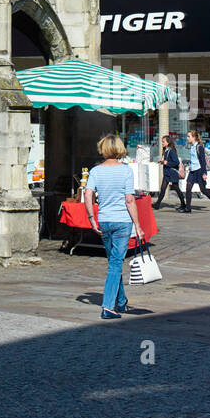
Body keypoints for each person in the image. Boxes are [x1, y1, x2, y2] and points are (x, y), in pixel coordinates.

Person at [83, 133, 146, 319]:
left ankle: (120, 301)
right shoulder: (126, 170)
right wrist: (138, 226)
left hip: (104, 219)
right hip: (122, 222)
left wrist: (91, 219)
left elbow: (88, 195)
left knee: (113, 262)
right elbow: (129, 200)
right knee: (116, 263)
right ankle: (108, 306)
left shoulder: (95, 171)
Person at [185, 128, 210, 213]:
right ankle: (188, 208)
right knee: (188, 188)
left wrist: (204, 173)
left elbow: (202, 161)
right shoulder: (192, 147)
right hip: (192, 171)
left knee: (203, 190)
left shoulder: (199, 147)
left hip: (199, 171)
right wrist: (190, 166)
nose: (187, 138)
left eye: (188, 136)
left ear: (194, 137)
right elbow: (193, 159)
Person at [155, 132, 186, 210]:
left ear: (168, 142)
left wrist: (166, 162)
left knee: (176, 189)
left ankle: (183, 204)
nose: (162, 143)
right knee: (163, 189)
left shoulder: (171, 151)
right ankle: (157, 204)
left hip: (172, 173)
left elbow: (176, 162)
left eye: (163, 142)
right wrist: (162, 161)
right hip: (167, 173)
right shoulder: (166, 150)